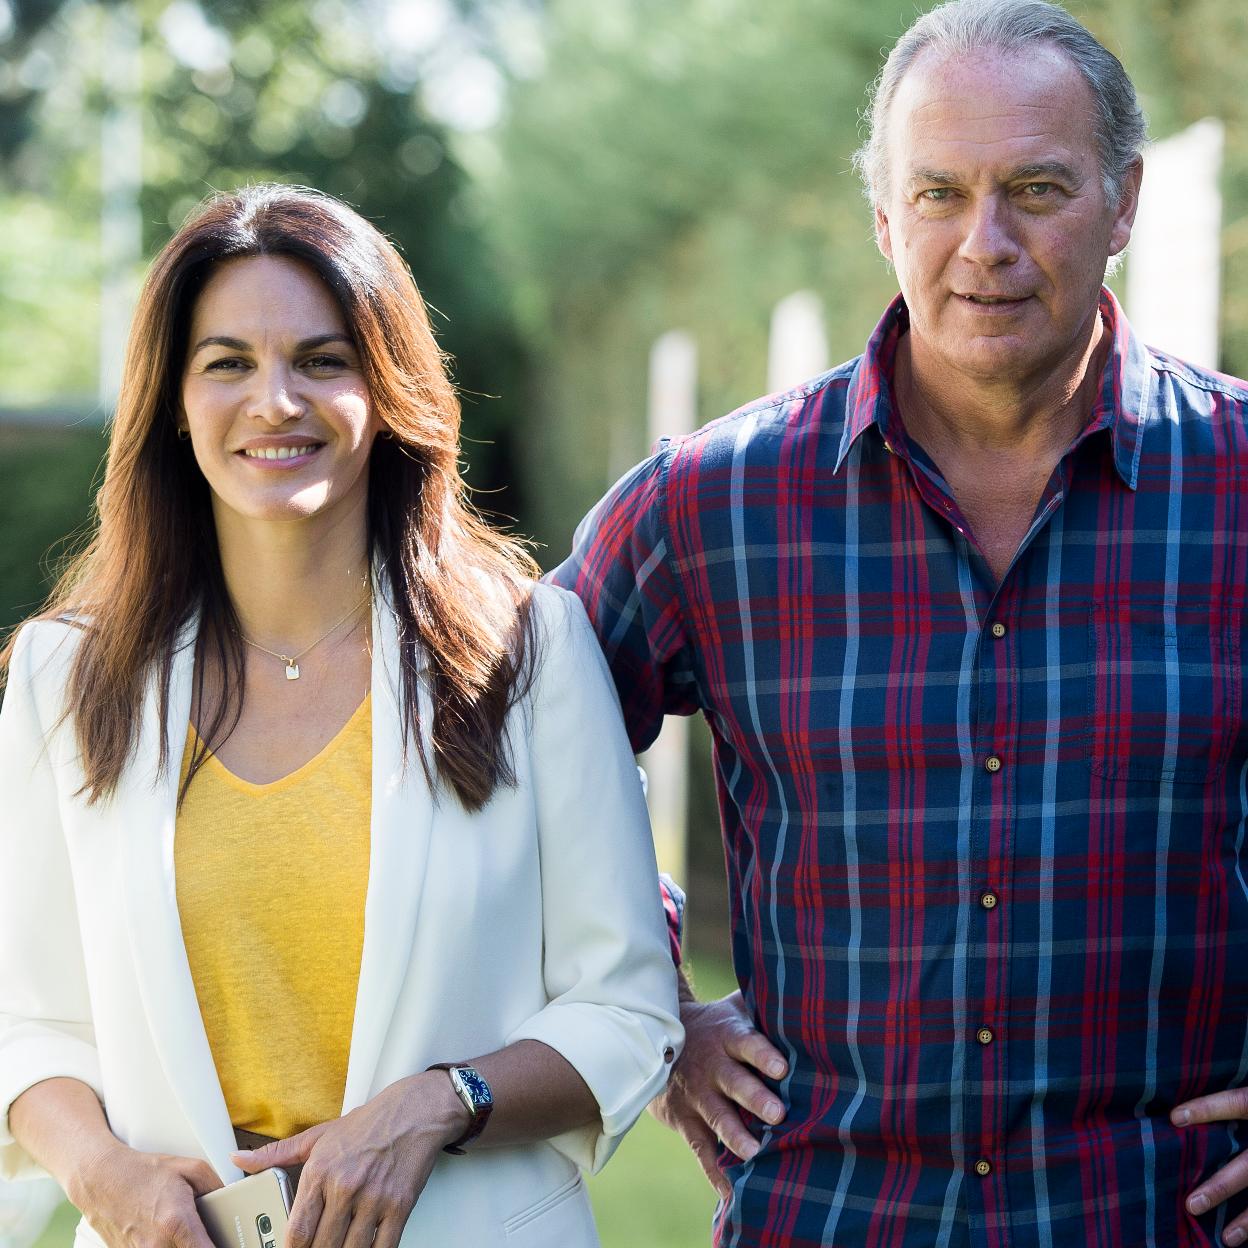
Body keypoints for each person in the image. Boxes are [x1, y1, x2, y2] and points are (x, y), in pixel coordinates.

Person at [551, 0, 1248, 1244]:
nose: (987, 243)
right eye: (938, 193)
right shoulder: (710, 507)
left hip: (1152, 1217)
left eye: (1037, 189)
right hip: (829, 1213)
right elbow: (506, 753)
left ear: (1124, 203)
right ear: (884, 216)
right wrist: (651, 1005)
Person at [0, 184, 682, 1248]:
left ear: (388, 388)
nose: (275, 401)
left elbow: (628, 1010)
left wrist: (439, 1105)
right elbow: (27, 1018)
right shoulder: (68, 673)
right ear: (174, 402)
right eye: (227, 362)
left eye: (322, 360)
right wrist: (100, 1174)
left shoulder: (530, 649)